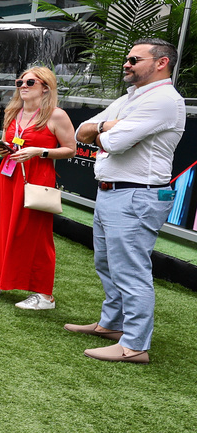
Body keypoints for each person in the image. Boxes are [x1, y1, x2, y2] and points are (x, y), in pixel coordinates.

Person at [69, 38, 184, 364]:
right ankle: (112, 325)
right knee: (107, 264)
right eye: (127, 59)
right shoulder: (132, 97)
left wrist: (102, 129)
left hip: (137, 194)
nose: (127, 63)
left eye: (135, 59)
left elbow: (115, 142)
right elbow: (81, 132)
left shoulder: (163, 100)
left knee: (131, 271)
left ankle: (134, 346)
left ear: (161, 63)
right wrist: (105, 127)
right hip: (114, 192)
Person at [0, 67, 76, 309]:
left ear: (45, 87)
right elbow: (13, 143)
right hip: (8, 176)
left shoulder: (55, 115)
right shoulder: (14, 112)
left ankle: (44, 295)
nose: (23, 86)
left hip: (38, 178)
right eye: (20, 81)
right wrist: (4, 149)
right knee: (0, 227)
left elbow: (70, 148)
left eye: (30, 82)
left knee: (36, 235)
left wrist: (41, 151)